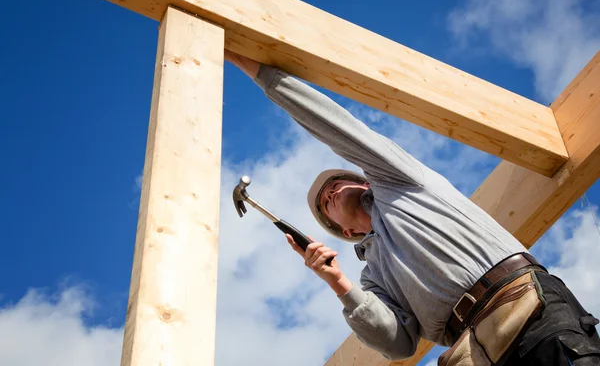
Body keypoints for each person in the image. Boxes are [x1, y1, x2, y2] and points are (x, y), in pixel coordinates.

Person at [224, 50, 600, 365]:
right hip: (477, 354)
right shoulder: (375, 277)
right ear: (346, 231)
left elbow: (337, 129)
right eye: (325, 204)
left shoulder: (400, 183)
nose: (330, 192)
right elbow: (398, 343)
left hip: (527, 308)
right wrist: (338, 283)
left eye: (336, 182)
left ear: (366, 181)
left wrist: (257, 70)